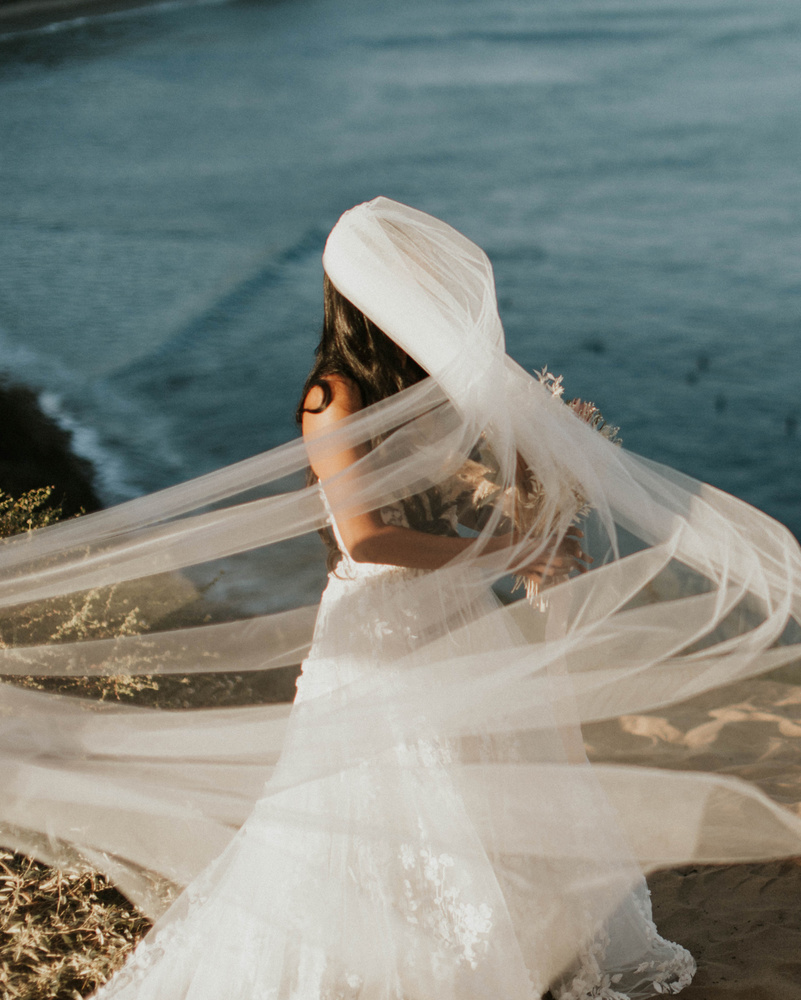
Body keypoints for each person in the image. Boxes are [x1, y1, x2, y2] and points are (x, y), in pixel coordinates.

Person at [2, 198, 801, 999]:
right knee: (385, 792)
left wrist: (533, 482)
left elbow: (449, 510)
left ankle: (512, 944)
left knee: (484, 780)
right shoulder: (334, 398)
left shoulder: (422, 391)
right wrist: (514, 547)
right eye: (413, 281)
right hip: (379, 622)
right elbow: (368, 539)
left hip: (454, 612)